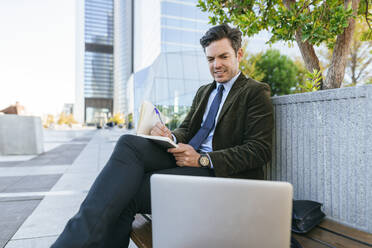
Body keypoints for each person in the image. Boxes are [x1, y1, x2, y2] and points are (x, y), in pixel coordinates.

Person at [51, 23, 274, 248]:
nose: (216, 65)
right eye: (210, 59)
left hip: (220, 176)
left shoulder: (255, 91)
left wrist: (202, 159)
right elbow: (187, 129)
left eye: (223, 57)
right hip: (187, 158)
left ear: (239, 54)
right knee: (128, 143)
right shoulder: (205, 91)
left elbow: (259, 150)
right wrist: (170, 136)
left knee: (127, 192)